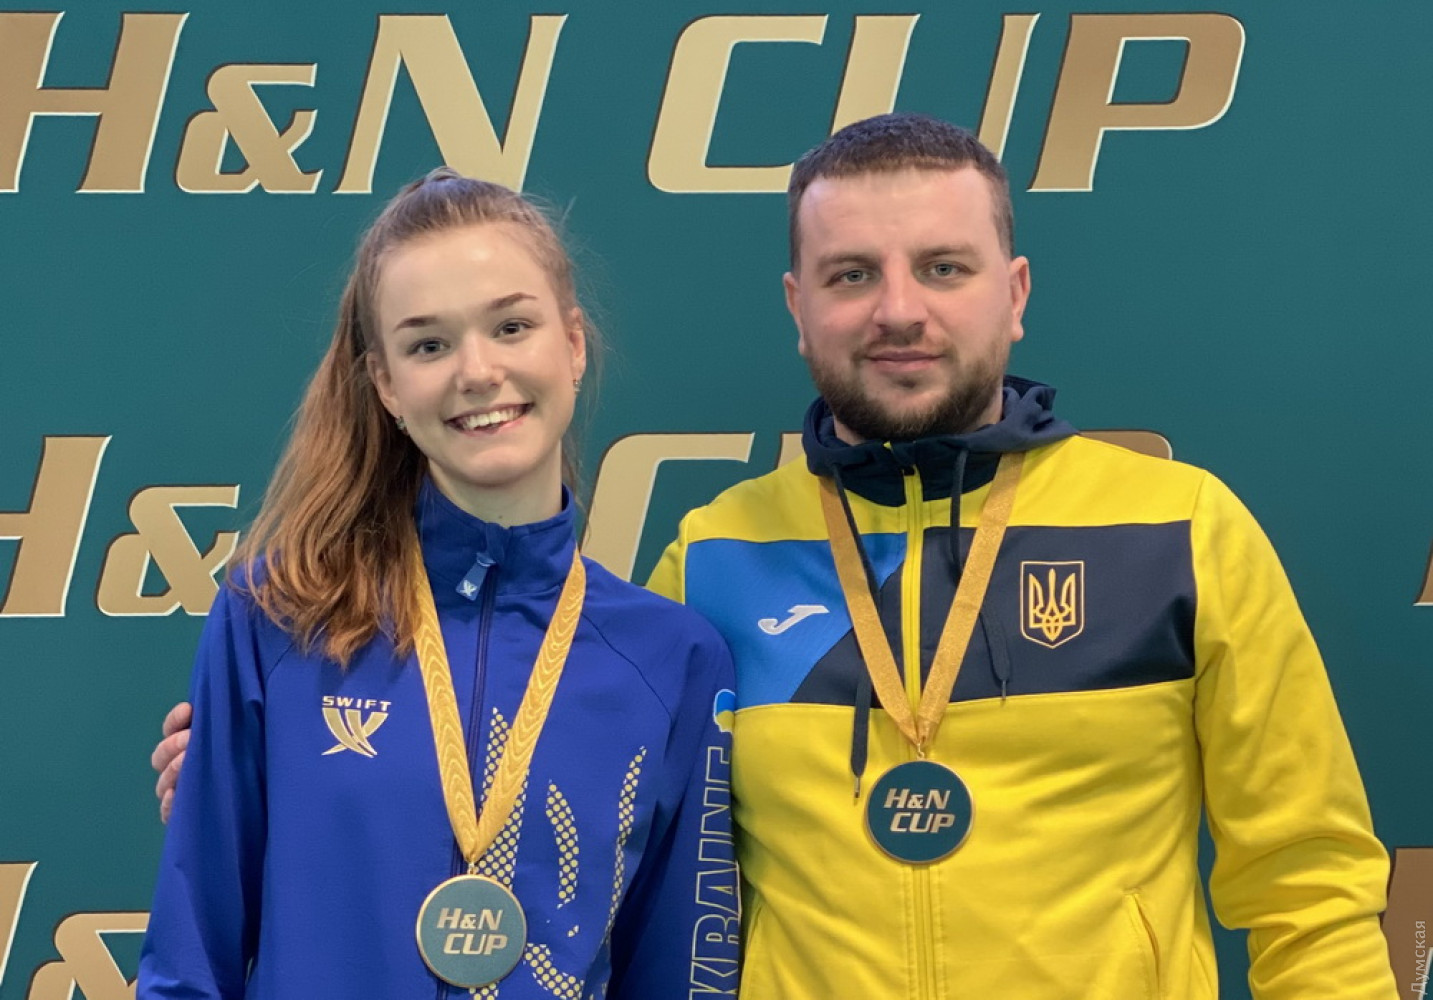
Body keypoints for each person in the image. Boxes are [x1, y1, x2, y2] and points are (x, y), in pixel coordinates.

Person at [155, 116, 1398, 999]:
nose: (898, 309)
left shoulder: (1180, 529)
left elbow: (1308, 887)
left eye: (943, 268)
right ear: (797, 306)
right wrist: (271, 771)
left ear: (1013, 291)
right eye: (851, 274)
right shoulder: (712, 564)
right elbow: (581, 818)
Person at [139, 169, 738, 999]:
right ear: (386, 384)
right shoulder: (277, 617)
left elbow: (677, 973)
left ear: (572, 343)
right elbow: (188, 964)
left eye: (511, 326)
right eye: (428, 345)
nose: (477, 371)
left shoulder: (671, 660)